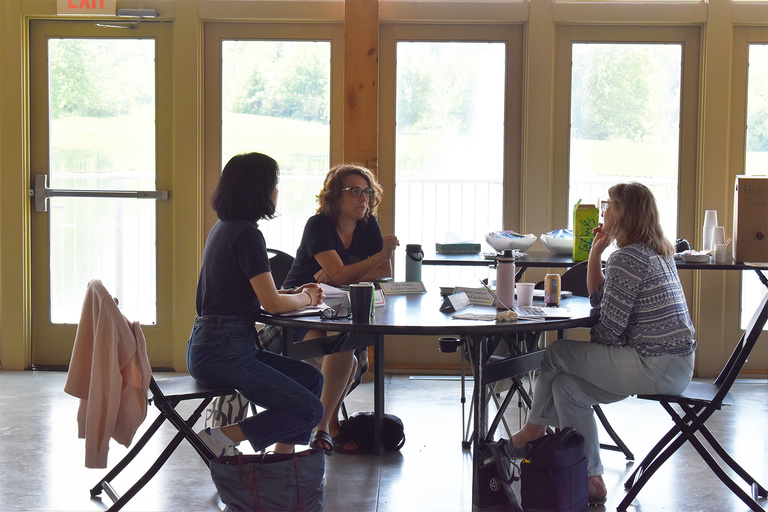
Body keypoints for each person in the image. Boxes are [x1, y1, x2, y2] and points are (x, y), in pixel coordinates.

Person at [510, 182, 696, 505]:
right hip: (675, 364)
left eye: (609, 204)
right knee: (566, 387)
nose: (603, 209)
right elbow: (602, 302)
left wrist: (603, 263)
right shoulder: (657, 252)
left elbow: (607, 333)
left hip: (654, 364)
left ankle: (533, 430)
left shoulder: (628, 258)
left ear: (623, 214)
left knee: (555, 353)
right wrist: (596, 252)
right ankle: (592, 478)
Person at [187, 152, 327, 457]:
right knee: (312, 410)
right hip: (224, 352)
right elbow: (272, 305)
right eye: (274, 184)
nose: (277, 191)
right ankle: (220, 436)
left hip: (212, 346)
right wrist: (307, 298)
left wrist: (291, 292)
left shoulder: (224, 227)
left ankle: (282, 459)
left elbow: (257, 294)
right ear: (259, 189)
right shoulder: (248, 235)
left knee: (311, 378)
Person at [282, 163, 399, 454]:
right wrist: (357, 267)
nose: (364, 199)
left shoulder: (368, 224)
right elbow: (351, 272)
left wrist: (345, 272)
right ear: (335, 196)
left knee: (344, 343)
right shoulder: (318, 225)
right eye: (355, 191)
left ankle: (322, 427)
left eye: (368, 192)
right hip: (300, 309)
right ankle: (327, 427)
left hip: (340, 311)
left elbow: (384, 271)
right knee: (334, 345)